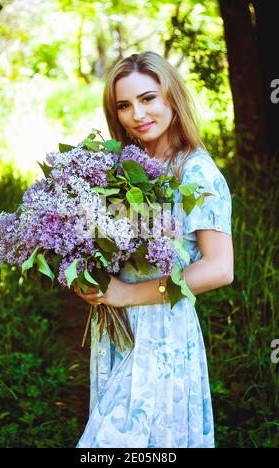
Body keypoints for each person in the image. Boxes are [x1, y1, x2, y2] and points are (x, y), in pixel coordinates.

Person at [74, 51, 234, 448]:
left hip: (163, 332)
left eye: (148, 98)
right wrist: (87, 277)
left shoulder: (195, 172)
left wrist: (128, 294)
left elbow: (219, 269)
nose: (136, 114)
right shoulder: (122, 166)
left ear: (171, 98)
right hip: (116, 330)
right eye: (124, 105)